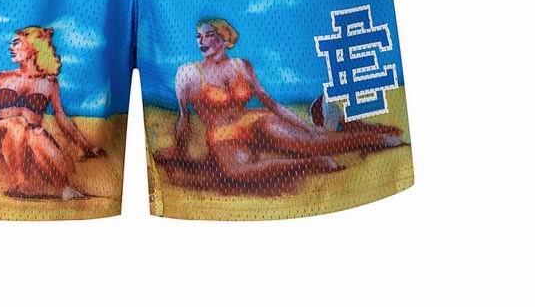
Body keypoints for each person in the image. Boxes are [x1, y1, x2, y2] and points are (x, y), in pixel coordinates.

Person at [156, 18, 402, 185]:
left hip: (254, 120)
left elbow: (270, 103)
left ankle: (377, 138)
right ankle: (311, 164)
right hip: (222, 135)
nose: (202, 41)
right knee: (237, 172)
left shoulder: (242, 66)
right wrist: (178, 150)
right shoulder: (188, 74)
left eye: (209, 35)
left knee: (313, 142)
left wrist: (306, 128)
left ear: (224, 37)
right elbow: (184, 119)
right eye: (199, 36)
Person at [0, 26, 104, 199]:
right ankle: (21, 183)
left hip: (28, 136)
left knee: (37, 134)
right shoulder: (2, 77)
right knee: (18, 123)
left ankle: (65, 189)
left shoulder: (50, 83)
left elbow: (61, 117)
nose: (11, 47)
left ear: (34, 47)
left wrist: (86, 146)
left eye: (16, 43)